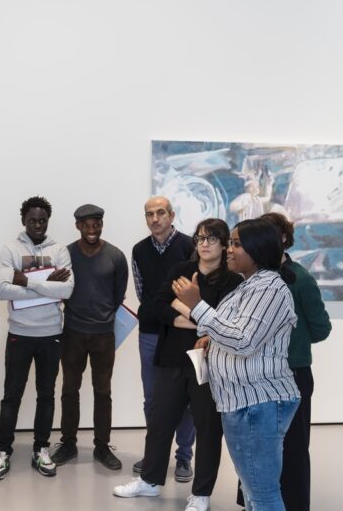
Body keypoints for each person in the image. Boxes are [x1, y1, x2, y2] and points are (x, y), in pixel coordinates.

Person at [114, 219, 242, 511]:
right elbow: (156, 306)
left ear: (224, 244)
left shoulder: (233, 281)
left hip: (209, 365)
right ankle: (149, 481)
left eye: (212, 238)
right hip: (171, 359)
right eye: (200, 238)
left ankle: (201, 494)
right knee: (159, 423)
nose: (204, 244)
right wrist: (199, 320)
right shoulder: (181, 270)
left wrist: (183, 305)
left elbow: (224, 323)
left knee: (208, 430)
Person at [173, 218, 301, 511]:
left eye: (236, 244)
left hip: (258, 403)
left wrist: (197, 306)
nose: (228, 250)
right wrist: (210, 340)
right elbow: (233, 329)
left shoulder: (270, 289)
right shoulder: (249, 286)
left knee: (261, 492)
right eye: (230, 243)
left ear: (258, 249)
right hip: (242, 402)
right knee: (254, 490)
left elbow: (244, 341)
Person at [0, 196, 74, 480]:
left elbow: (67, 291)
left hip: (51, 335)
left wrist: (26, 281)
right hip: (19, 334)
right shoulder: (10, 249)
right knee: (11, 396)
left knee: (46, 396)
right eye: (33, 220)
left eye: (43, 220)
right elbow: (3, 290)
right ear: (24, 220)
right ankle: (3, 451)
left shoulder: (59, 250)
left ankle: (41, 449)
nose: (38, 225)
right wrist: (48, 286)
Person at [255, 212, 331, 510]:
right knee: (260, 443)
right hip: (260, 373)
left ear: (284, 239)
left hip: (293, 374)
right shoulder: (253, 277)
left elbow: (321, 328)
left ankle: (296, 505)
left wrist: (292, 343)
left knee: (294, 446)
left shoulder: (301, 279)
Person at [51, 204, 128, 471]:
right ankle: (69, 443)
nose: (92, 229)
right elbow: (57, 288)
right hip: (72, 332)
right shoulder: (66, 254)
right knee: (69, 390)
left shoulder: (116, 256)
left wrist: (103, 318)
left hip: (103, 336)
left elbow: (119, 296)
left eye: (97, 224)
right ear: (78, 226)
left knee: (102, 391)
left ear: (102, 224)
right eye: (87, 225)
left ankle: (102, 446)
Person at [130, 196, 196, 481]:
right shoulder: (139, 250)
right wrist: (159, 310)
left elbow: (195, 291)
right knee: (152, 398)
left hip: (182, 332)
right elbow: (143, 293)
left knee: (186, 398)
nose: (154, 219)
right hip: (150, 332)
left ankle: (184, 457)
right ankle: (155, 453)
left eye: (160, 213)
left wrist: (174, 315)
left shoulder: (189, 247)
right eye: (149, 214)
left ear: (171, 215)